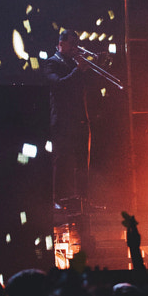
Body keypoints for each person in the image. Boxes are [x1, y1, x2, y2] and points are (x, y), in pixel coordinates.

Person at [41, 29, 92, 211]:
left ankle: (83, 200)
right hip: (62, 120)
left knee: (82, 162)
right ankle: (57, 199)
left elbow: (86, 86)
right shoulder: (51, 63)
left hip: (80, 119)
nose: (75, 48)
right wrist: (78, 70)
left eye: (76, 44)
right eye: (72, 44)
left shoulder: (74, 63)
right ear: (61, 44)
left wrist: (87, 67)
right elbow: (59, 85)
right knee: (60, 161)